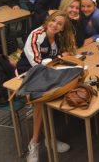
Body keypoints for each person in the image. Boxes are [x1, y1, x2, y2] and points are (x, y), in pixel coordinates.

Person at [18, 12, 76, 162]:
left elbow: (51, 60)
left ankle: (48, 139)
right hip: (26, 74)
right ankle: (36, 142)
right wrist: (56, 61)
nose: (54, 25)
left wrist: (61, 58)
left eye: (59, 24)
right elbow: (37, 63)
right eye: (53, 20)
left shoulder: (56, 38)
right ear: (48, 20)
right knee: (41, 100)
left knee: (70, 84)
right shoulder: (37, 34)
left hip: (46, 73)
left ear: (62, 28)